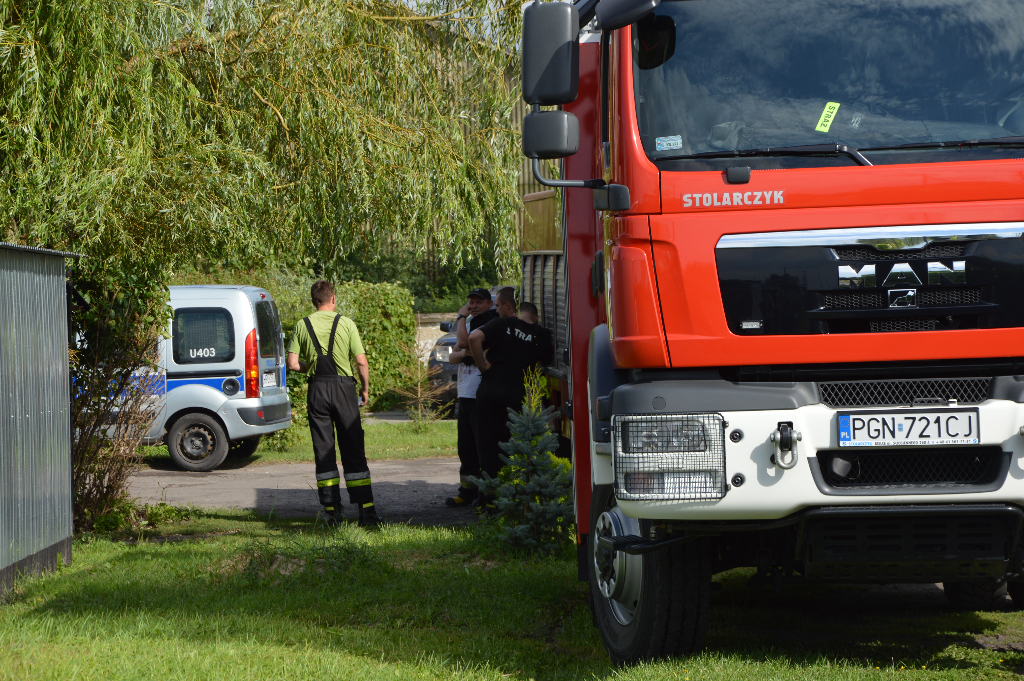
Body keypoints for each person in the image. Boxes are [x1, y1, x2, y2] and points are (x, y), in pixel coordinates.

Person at [286, 280, 379, 527]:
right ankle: (366, 512)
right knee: (353, 447)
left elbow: (293, 364)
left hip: (317, 388)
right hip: (344, 389)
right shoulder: (346, 323)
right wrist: (365, 389)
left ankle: (331, 512)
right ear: (333, 299)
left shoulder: (301, 325)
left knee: (323, 449)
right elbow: (361, 362)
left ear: (313, 300)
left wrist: (312, 367)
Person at [469, 287, 554, 494]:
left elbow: (473, 339)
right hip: (518, 394)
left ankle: (489, 498)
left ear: (513, 309)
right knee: (515, 446)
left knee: (488, 446)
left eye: (498, 306)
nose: (497, 311)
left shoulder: (502, 323)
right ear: (535, 316)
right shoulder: (542, 335)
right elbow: (546, 363)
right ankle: (515, 495)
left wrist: (483, 367)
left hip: (490, 390)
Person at [444, 288, 499, 507]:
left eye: (478, 302)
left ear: (489, 304)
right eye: (470, 302)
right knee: (465, 447)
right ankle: (467, 492)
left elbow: (464, 345)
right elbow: (453, 356)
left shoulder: (490, 325)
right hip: (464, 394)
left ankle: (486, 496)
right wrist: (464, 352)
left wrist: (460, 316)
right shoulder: (468, 326)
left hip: (480, 394)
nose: (474, 306)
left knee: (482, 446)